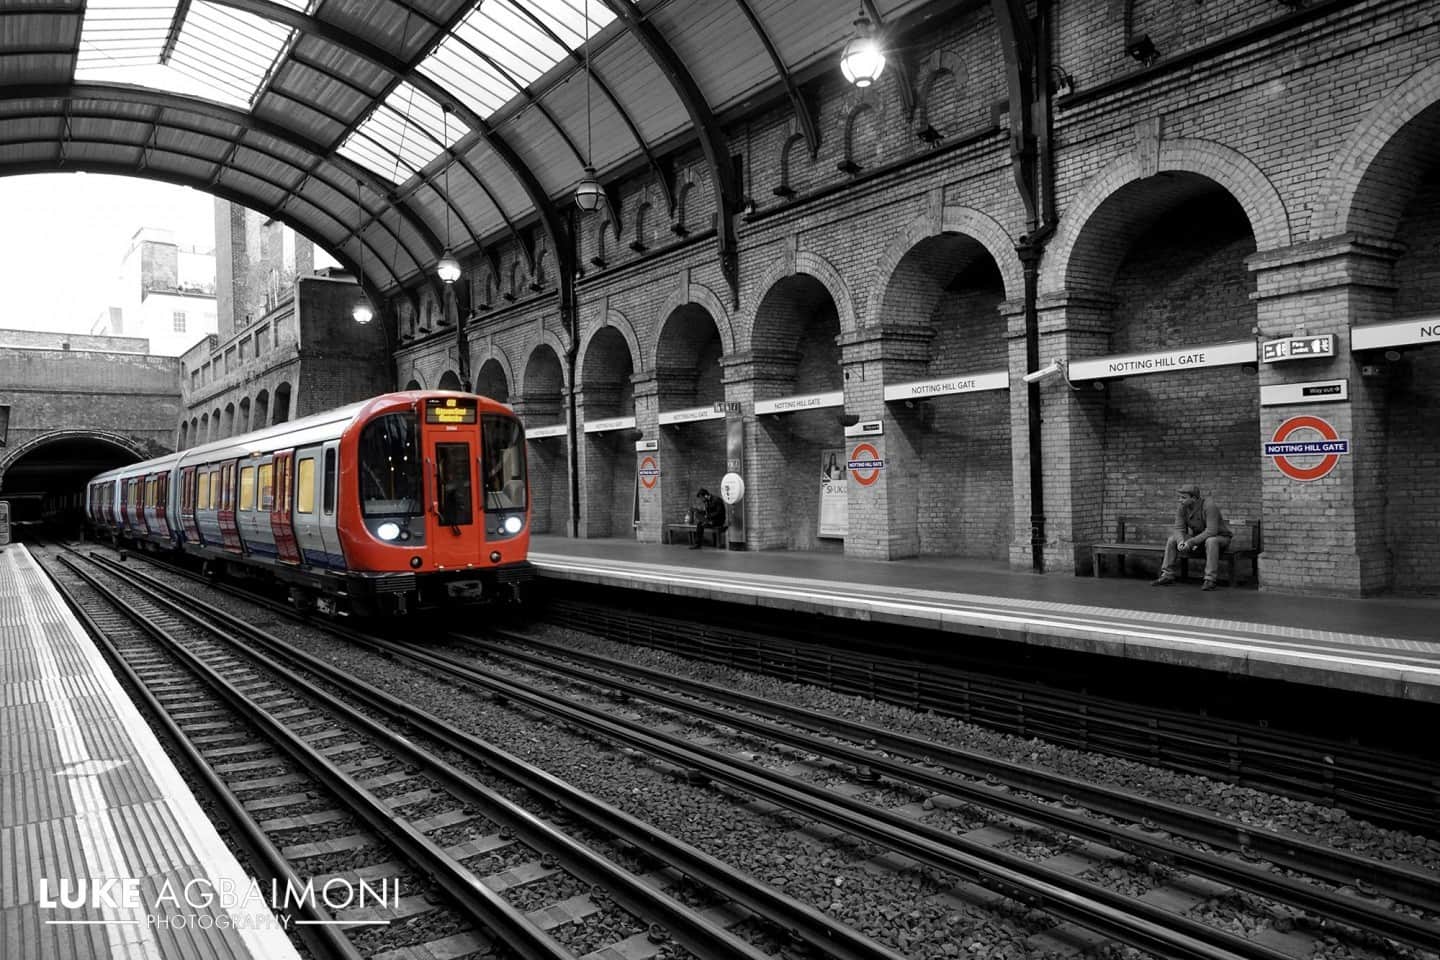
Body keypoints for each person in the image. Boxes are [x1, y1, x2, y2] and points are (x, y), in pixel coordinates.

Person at [1153, 484, 1233, 591]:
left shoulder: (1209, 506)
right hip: (1198, 539)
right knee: (1172, 539)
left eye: (1183, 498)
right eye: (1179, 497)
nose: (1180, 500)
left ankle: (1210, 579)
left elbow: (1211, 531)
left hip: (1220, 538)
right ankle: (1167, 575)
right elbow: (1178, 528)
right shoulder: (1182, 507)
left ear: (1194, 498)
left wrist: (1191, 542)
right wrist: (1181, 542)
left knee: (1211, 541)